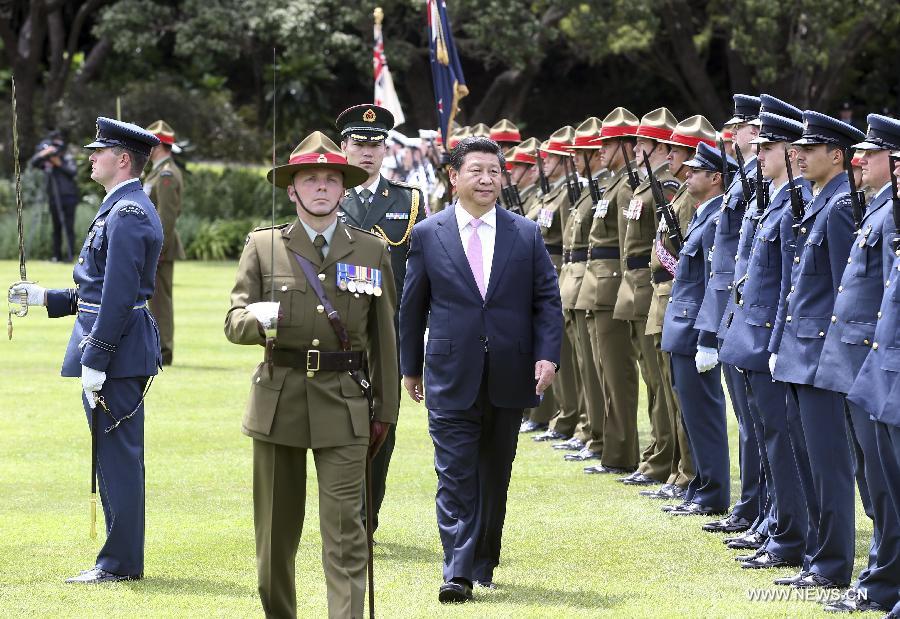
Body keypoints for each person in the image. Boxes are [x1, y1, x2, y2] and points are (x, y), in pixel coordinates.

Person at [224, 131, 398, 618]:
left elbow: (385, 339)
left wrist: (385, 411)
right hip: (278, 401)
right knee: (275, 539)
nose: (321, 187)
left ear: (343, 190)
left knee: (346, 534)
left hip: (344, 404)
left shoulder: (370, 250)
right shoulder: (264, 247)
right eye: (309, 178)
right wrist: (262, 319)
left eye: (330, 178)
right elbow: (233, 322)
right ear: (292, 190)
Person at [399, 136, 563, 603]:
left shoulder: (525, 233)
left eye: (494, 170)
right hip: (450, 372)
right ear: (454, 176)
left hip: (510, 373)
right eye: (476, 170)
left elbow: (547, 303)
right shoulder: (428, 233)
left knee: (494, 472)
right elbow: (412, 307)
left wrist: (547, 356)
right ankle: (457, 571)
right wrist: (410, 366)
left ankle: (483, 559)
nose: (487, 179)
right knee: (454, 474)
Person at [10, 117, 163, 583]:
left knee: (118, 457)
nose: (90, 157)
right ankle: (118, 561)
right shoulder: (118, 208)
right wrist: (45, 298)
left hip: (114, 351)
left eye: (99, 151)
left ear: (122, 160)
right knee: (113, 453)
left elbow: (120, 297)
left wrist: (95, 357)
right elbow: (97, 289)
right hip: (110, 345)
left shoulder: (129, 212)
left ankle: (118, 565)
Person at [769, 111, 866, 589]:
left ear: (837, 155)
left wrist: (834, 358)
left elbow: (846, 291)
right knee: (808, 458)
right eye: (798, 148)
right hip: (801, 351)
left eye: (811, 149)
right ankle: (816, 557)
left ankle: (832, 565)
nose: (799, 155)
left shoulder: (843, 205)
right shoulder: (820, 201)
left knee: (829, 465)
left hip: (821, 356)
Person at [717, 111, 813, 568]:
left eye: (765, 148)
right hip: (750, 333)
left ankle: (789, 534)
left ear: (790, 153)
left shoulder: (795, 200)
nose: (757, 155)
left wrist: (775, 344)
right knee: (766, 434)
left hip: (768, 339)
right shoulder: (772, 198)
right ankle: (776, 523)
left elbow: (789, 286)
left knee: (781, 438)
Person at [815, 114, 900, 613]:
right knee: (877, 486)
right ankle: (880, 579)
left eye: (874, 153)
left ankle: (881, 582)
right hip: (869, 363)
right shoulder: (879, 210)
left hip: (880, 363)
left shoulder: (889, 212)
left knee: (887, 490)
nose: (860, 159)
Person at [336, 104, 424, 536]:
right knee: (337, 423)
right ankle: (343, 513)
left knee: (381, 425)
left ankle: (366, 518)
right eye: (359, 144)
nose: (367, 153)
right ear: (343, 147)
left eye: (375, 145)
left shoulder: (408, 201)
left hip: (388, 332)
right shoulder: (326, 195)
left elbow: (421, 272)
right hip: (337, 331)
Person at [660, 141, 738, 516]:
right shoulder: (703, 215)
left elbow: (715, 283)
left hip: (694, 329)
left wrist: (708, 337)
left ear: (716, 178)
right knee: (690, 413)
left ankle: (713, 492)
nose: (687, 174)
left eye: (696, 170)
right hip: (681, 326)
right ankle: (700, 485)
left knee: (703, 414)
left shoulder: (718, 217)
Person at [642, 115, 716, 501]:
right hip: (666, 298)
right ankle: (678, 469)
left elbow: (688, 254)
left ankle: (688, 472)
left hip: (679, 297)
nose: (670, 158)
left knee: (682, 394)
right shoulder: (683, 196)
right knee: (670, 393)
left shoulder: (690, 199)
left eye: (676, 151)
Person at [614, 107, 681, 486]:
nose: (636, 147)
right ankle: (659, 455)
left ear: (658, 146)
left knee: (662, 384)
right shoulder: (645, 184)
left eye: (642, 141)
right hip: (640, 289)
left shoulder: (666, 185)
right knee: (654, 382)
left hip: (655, 288)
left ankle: (665, 460)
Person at [580, 107, 642, 475]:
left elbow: (626, 245)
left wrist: (623, 291)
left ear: (625, 144)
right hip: (599, 290)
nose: (600, 149)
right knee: (605, 374)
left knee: (618, 376)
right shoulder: (614, 184)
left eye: (608, 142)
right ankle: (612, 447)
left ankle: (621, 452)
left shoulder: (625, 187)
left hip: (616, 290)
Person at [143, 120, 186, 366]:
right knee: (155, 299)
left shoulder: (167, 173)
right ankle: (158, 347)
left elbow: (166, 216)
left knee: (159, 301)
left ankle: (163, 350)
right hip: (156, 245)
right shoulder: (158, 170)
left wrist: (157, 247)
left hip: (160, 247)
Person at [29, 131, 80, 262]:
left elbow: (73, 172)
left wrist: (59, 164)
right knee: (56, 228)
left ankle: (69, 256)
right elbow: (34, 163)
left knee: (68, 227)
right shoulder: (46, 159)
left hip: (69, 197)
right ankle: (56, 256)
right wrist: (44, 153)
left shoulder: (67, 158)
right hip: (53, 197)